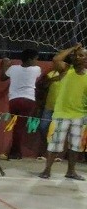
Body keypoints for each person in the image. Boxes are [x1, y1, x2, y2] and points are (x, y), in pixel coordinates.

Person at [39, 44, 87, 180]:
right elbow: (56, 59)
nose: (77, 57)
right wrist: (73, 48)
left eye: (81, 55)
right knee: (54, 144)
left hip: (80, 116)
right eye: (76, 55)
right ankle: (47, 170)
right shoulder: (66, 69)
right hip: (61, 114)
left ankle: (71, 171)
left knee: (75, 146)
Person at [0, 49, 41, 160]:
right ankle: (15, 152)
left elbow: (2, 77)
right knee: (20, 127)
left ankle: (14, 151)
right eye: (35, 59)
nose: (37, 62)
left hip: (14, 100)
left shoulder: (13, 69)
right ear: (29, 59)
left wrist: (5, 64)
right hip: (28, 100)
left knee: (16, 126)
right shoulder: (36, 69)